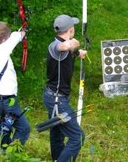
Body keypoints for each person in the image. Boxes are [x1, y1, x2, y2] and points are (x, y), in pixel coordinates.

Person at [43, 14, 87, 161]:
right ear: (70, 29)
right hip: (57, 99)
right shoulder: (56, 45)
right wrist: (75, 44)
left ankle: (57, 158)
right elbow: (65, 46)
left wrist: (77, 53)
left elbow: (68, 50)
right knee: (77, 137)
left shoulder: (59, 46)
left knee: (57, 133)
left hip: (54, 96)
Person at [0, 21, 30, 151]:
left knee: (6, 125)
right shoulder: (2, 50)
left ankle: (3, 150)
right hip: (7, 100)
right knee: (24, 128)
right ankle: (12, 154)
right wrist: (23, 32)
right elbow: (16, 37)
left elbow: (10, 38)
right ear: (5, 39)